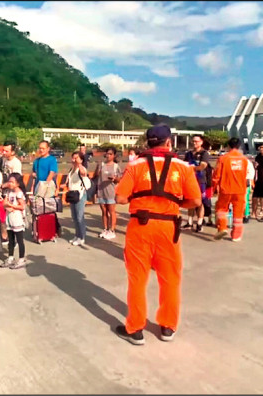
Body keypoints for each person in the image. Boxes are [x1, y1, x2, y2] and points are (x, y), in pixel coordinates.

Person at [114, 124, 201, 345]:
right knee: (170, 279)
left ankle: (135, 329)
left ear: (147, 143)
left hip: (140, 226)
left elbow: (121, 198)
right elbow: (196, 201)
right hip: (168, 227)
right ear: (169, 142)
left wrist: (141, 198)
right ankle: (167, 327)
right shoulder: (182, 167)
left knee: (137, 279)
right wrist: (174, 202)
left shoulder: (135, 166)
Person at [212, 138, 250, 241]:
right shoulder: (244, 159)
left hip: (226, 189)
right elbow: (246, 175)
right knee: (238, 214)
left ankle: (222, 228)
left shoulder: (223, 158)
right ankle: (236, 236)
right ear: (239, 146)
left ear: (228, 146)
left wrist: (214, 188)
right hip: (240, 190)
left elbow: (216, 176)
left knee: (221, 209)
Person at [182, 135, 212, 232]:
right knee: (190, 201)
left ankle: (199, 223)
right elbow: (184, 165)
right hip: (189, 181)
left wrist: (191, 169)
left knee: (200, 202)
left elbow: (203, 165)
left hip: (200, 181)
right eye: (193, 141)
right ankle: (189, 222)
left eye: (197, 141)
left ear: (201, 142)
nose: (195, 143)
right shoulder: (188, 154)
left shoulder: (204, 153)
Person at [1, 173, 28, 269]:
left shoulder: (19, 193)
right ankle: (10, 257)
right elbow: (4, 203)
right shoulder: (9, 192)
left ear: (18, 183)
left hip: (17, 218)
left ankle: (21, 259)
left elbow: (22, 206)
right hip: (9, 217)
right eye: (9, 182)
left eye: (12, 182)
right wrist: (7, 207)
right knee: (11, 240)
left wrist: (11, 206)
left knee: (19, 240)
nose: (10, 184)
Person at [94, 147, 123, 239]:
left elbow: (120, 179)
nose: (108, 155)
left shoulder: (116, 166)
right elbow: (95, 175)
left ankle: (112, 230)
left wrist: (114, 179)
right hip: (101, 191)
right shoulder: (102, 165)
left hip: (111, 192)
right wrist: (97, 168)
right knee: (104, 211)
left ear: (114, 156)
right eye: (107, 153)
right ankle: (105, 229)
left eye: (110, 154)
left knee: (111, 211)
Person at [65, 151, 91, 246]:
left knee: (80, 217)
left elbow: (84, 173)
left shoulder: (81, 168)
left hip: (80, 194)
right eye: (73, 158)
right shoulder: (72, 169)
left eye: (76, 158)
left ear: (81, 159)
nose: (74, 160)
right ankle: (77, 235)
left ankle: (82, 237)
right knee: (74, 217)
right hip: (73, 194)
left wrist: (79, 164)